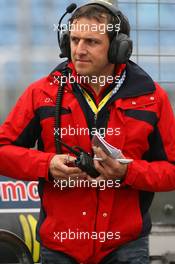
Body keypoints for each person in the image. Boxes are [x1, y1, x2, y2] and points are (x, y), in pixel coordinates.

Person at [0, 1, 175, 263]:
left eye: (91, 42)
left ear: (119, 48)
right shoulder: (42, 93)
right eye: (74, 40)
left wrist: (128, 172)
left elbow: (171, 169)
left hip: (125, 248)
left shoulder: (152, 98)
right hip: (59, 248)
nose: (79, 50)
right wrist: (47, 164)